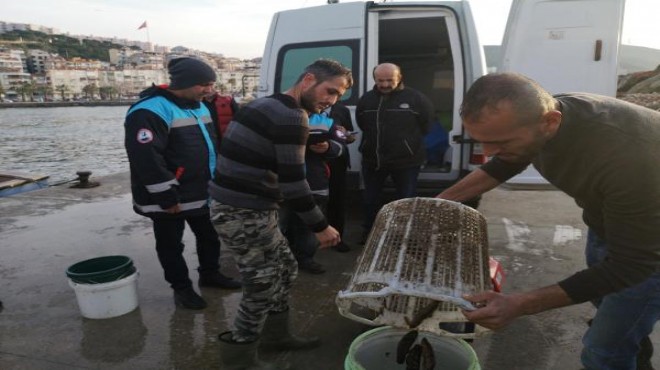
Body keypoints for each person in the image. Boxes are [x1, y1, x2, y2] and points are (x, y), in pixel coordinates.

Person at [437, 72, 660, 370]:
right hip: (606, 225)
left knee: (602, 351)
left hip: (649, 249)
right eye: (483, 143)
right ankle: (634, 352)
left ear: (550, 122)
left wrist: (519, 304)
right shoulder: (539, 121)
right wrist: (437, 204)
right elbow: (505, 163)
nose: (488, 153)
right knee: (612, 311)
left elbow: (631, 265)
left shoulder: (628, 157)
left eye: (499, 142)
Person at [208, 59, 351, 369]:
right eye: (330, 91)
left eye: (338, 96)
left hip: (253, 207)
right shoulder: (291, 116)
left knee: (285, 267)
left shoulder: (266, 104)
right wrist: (321, 226)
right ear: (308, 79)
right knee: (260, 285)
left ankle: (276, 336)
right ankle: (240, 359)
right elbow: (295, 183)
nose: (331, 101)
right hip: (241, 211)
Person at [124, 57, 240, 311]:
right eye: (204, 84)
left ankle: (210, 274)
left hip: (200, 190)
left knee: (209, 236)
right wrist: (166, 196)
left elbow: (211, 145)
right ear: (185, 83)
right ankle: (181, 289)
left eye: (211, 84)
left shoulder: (198, 105)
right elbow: (146, 158)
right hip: (169, 197)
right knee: (170, 244)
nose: (210, 90)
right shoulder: (148, 111)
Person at [356, 62, 434, 242]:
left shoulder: (417, 98)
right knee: (370, 200)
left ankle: (404, 236)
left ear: (399, 78)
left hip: (407, 162)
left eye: (389, 80)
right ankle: (370, 233)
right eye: (380, 80)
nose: (384, 84)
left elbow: (427, 125)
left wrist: (405, 143)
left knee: (405, 201)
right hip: (373, 161)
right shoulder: (366, 99)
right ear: (374, 79)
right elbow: (362, 124)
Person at [278, 112, 343, 274]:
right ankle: (276, 260)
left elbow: (341, 146)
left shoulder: (327, 121)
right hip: (282, 183)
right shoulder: (279, 116)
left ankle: (305, 259)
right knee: (277, 225)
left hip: (314, 183)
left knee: (309, 226)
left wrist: (329, 147)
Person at [326, 102, 357, 252]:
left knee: (337, 201)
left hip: (337, 163)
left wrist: (346, 134)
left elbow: (349, 138)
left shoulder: (341, 109)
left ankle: (336, 240)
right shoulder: (303, 108)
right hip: (313, 163)